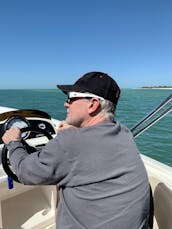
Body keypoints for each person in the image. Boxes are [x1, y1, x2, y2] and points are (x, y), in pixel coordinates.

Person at [2, 71, 150, 229]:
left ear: (92, 104)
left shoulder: (70, 142)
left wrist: (14, 143)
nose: (66, 104)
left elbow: (25, 171)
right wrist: (72, 132)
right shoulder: (123, 133)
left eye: (71, 98)